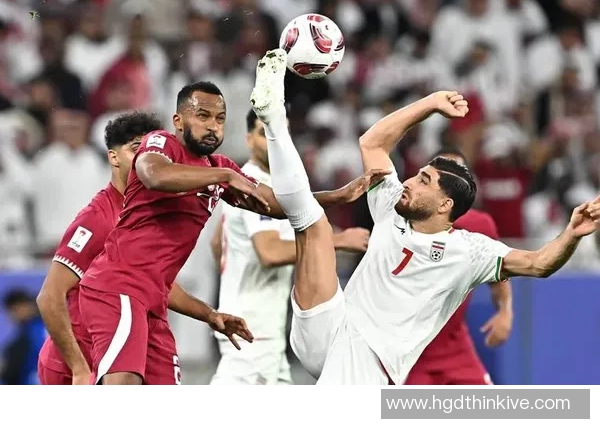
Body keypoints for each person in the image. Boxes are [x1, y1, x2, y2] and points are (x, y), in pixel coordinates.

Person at [248, 48, 600, 385]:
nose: (409, 182)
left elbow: (539, 264)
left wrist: (571, 234)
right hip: (328, 323)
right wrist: (430, 103)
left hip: (370, 356)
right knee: (312, 222)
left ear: (445, 205)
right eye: (417, 175)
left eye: (424, 181)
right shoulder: (391, 205)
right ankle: (274, 118)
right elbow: (372, 143)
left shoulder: (470, 250)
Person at [77, 81, 379, 385]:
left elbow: (273, 203)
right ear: (178, 121)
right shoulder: (162, 143)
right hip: (117, 287)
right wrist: (225, 176)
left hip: (152, 300)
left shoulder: (218, 167)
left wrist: (336, 196)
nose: (213, 126)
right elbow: (154, 175)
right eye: (203, 116)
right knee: (123, 389)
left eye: (220, 119)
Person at [36, 111, 252, 386]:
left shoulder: (147, 212)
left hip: (129, 345)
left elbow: (155, 283)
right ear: (113, 157)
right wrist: (78, 367)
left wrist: (209, 315)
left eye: (150, 151)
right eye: (136, 149)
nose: (144, 158)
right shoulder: (98, 218)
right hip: (76, 363)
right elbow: (49, 296)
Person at [209, 109, 372, 385]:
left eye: (280, 132)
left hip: (260, 325)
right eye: (264, 133)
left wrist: (235, 278)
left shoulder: (258, 183)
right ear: (249, 140)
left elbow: (217, 242)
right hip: (253, 328)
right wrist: (338, 241)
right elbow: (269, 251)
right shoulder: (254, 182)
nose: (274, 139)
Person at [405, 146, 512, 385]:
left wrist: (505, 311)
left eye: (459, 173)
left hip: (454, 347)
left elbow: (500, 273)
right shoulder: (404, 219)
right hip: (408, 351)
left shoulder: (480, 224)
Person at [1, 289, 46, 385]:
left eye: (16, 309)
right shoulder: (50, 327)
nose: (13, 315)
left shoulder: (31, 333)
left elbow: (11, 369)